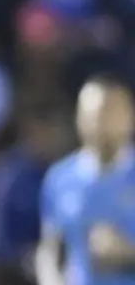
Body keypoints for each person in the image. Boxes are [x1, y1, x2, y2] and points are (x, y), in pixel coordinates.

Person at [36, 77, 135, 285]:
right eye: (93, 115)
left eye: (111, 112)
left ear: (129, 117)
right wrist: (51, 279)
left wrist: (128, 252)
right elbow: (51, 249)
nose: (101, 123)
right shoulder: (60, 178)